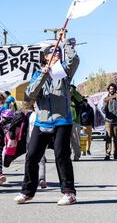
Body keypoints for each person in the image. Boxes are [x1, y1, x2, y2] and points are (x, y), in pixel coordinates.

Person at [14, 35, 79, 205]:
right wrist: (43, 75)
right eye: (52, 52)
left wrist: (65, 43)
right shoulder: (37, 74)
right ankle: (27, 192)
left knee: (61, 155)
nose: (55, 54)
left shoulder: (63, 73)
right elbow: (30, 95)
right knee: (32, 156)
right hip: (42, 121)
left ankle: (68, 193)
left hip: (62, 120)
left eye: (57, 52)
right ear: (45, 57)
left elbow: (74, 60)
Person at [102, 83, 117, 161]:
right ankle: (107, 154)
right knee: (108, 138)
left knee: (116, 139)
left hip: (116, 121)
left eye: (113, 89)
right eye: (110, 89)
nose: (112, 90)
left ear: (115, 89)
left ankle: (115, 153)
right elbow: (103, 110)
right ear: (108, 89)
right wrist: (105, 105)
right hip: (108, 121)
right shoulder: (106, 98)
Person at [70, 85, 83, 161]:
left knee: (76, 140)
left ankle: (77, 155)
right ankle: (67, 156)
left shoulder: (76, 95)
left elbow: (80, 98)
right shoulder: (62, 94)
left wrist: (73, 90)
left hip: (75, 121)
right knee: (66, 140)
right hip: (64, 121)